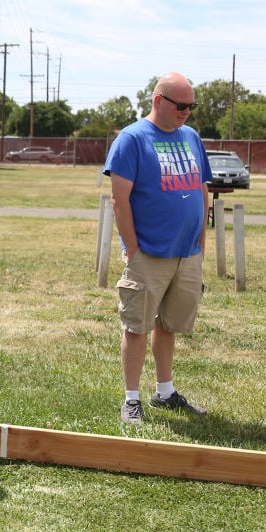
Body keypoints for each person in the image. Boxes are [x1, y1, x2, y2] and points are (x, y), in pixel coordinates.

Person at [104, 72, 212, 425]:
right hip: (148, 253)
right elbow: (120, 199)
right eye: (180, 105)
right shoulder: (132, 139)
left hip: (186, 254)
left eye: (191, 106)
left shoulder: (192, 137)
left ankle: (165, 392)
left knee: (169, 325)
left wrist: (200, 243)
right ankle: (131, 399)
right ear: (158, 101)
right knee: (137, 326)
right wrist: (133, 249)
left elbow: (201, 189)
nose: (186, 112)